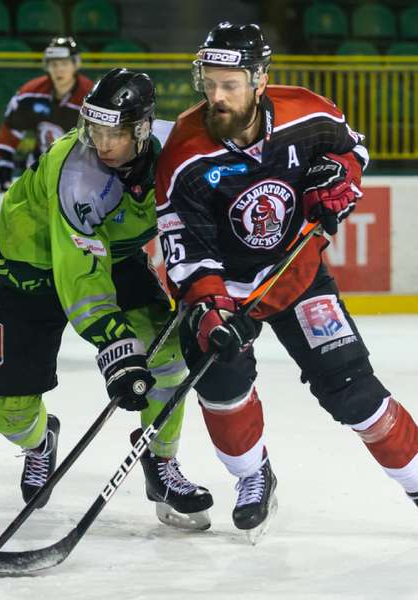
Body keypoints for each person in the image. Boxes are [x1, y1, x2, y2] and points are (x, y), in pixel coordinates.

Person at [155, 22, 418, 538]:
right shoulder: (185, 151)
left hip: (298, 278)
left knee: (354, 389)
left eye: (229, 84)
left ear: (259, 80)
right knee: (223, 388)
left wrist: (341, 177)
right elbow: (185, 247)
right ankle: (254, 476)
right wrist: (208, 309)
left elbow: (354, 153)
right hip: (226, 294)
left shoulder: (309, 112)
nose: (217, 95)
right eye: (209, 82)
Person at [0, 68, 213, 530]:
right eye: (95, 129)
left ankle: (161, 465)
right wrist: (116, 347)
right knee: (7, 412)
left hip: (119, 257)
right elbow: (80, 274)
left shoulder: (180, 148)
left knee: (166, 357)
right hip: (31, 269)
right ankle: (38, 442)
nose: (102, 143)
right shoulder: (78, 177)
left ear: (143, 128)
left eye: (116, 132)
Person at [0, 36, 94, 193]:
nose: (59, 69)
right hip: (39, 172)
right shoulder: (31, 93)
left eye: (64, 63)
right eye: (54, 64)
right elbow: (12, 128)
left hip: (80, 176)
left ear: (76, 65)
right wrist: (2, 156)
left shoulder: (91, 98)